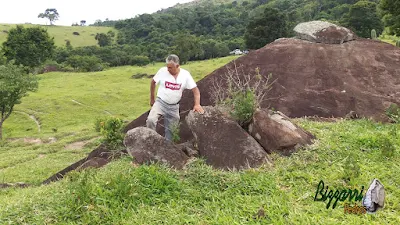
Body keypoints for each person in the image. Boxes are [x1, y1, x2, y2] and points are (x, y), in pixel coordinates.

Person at [146, 54, 205, 141]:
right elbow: (153, 82)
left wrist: (197, 104)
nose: (168, 69)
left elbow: (196, 91)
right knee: (151, 120)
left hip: (174, 107)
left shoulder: (185, 75)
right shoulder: (163, 71)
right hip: (161, 102)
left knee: (171, 132)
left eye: (170, 67)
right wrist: (152, 99)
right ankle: (150, 140)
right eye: (167, 67)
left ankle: (166, 147)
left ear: (177, 66)